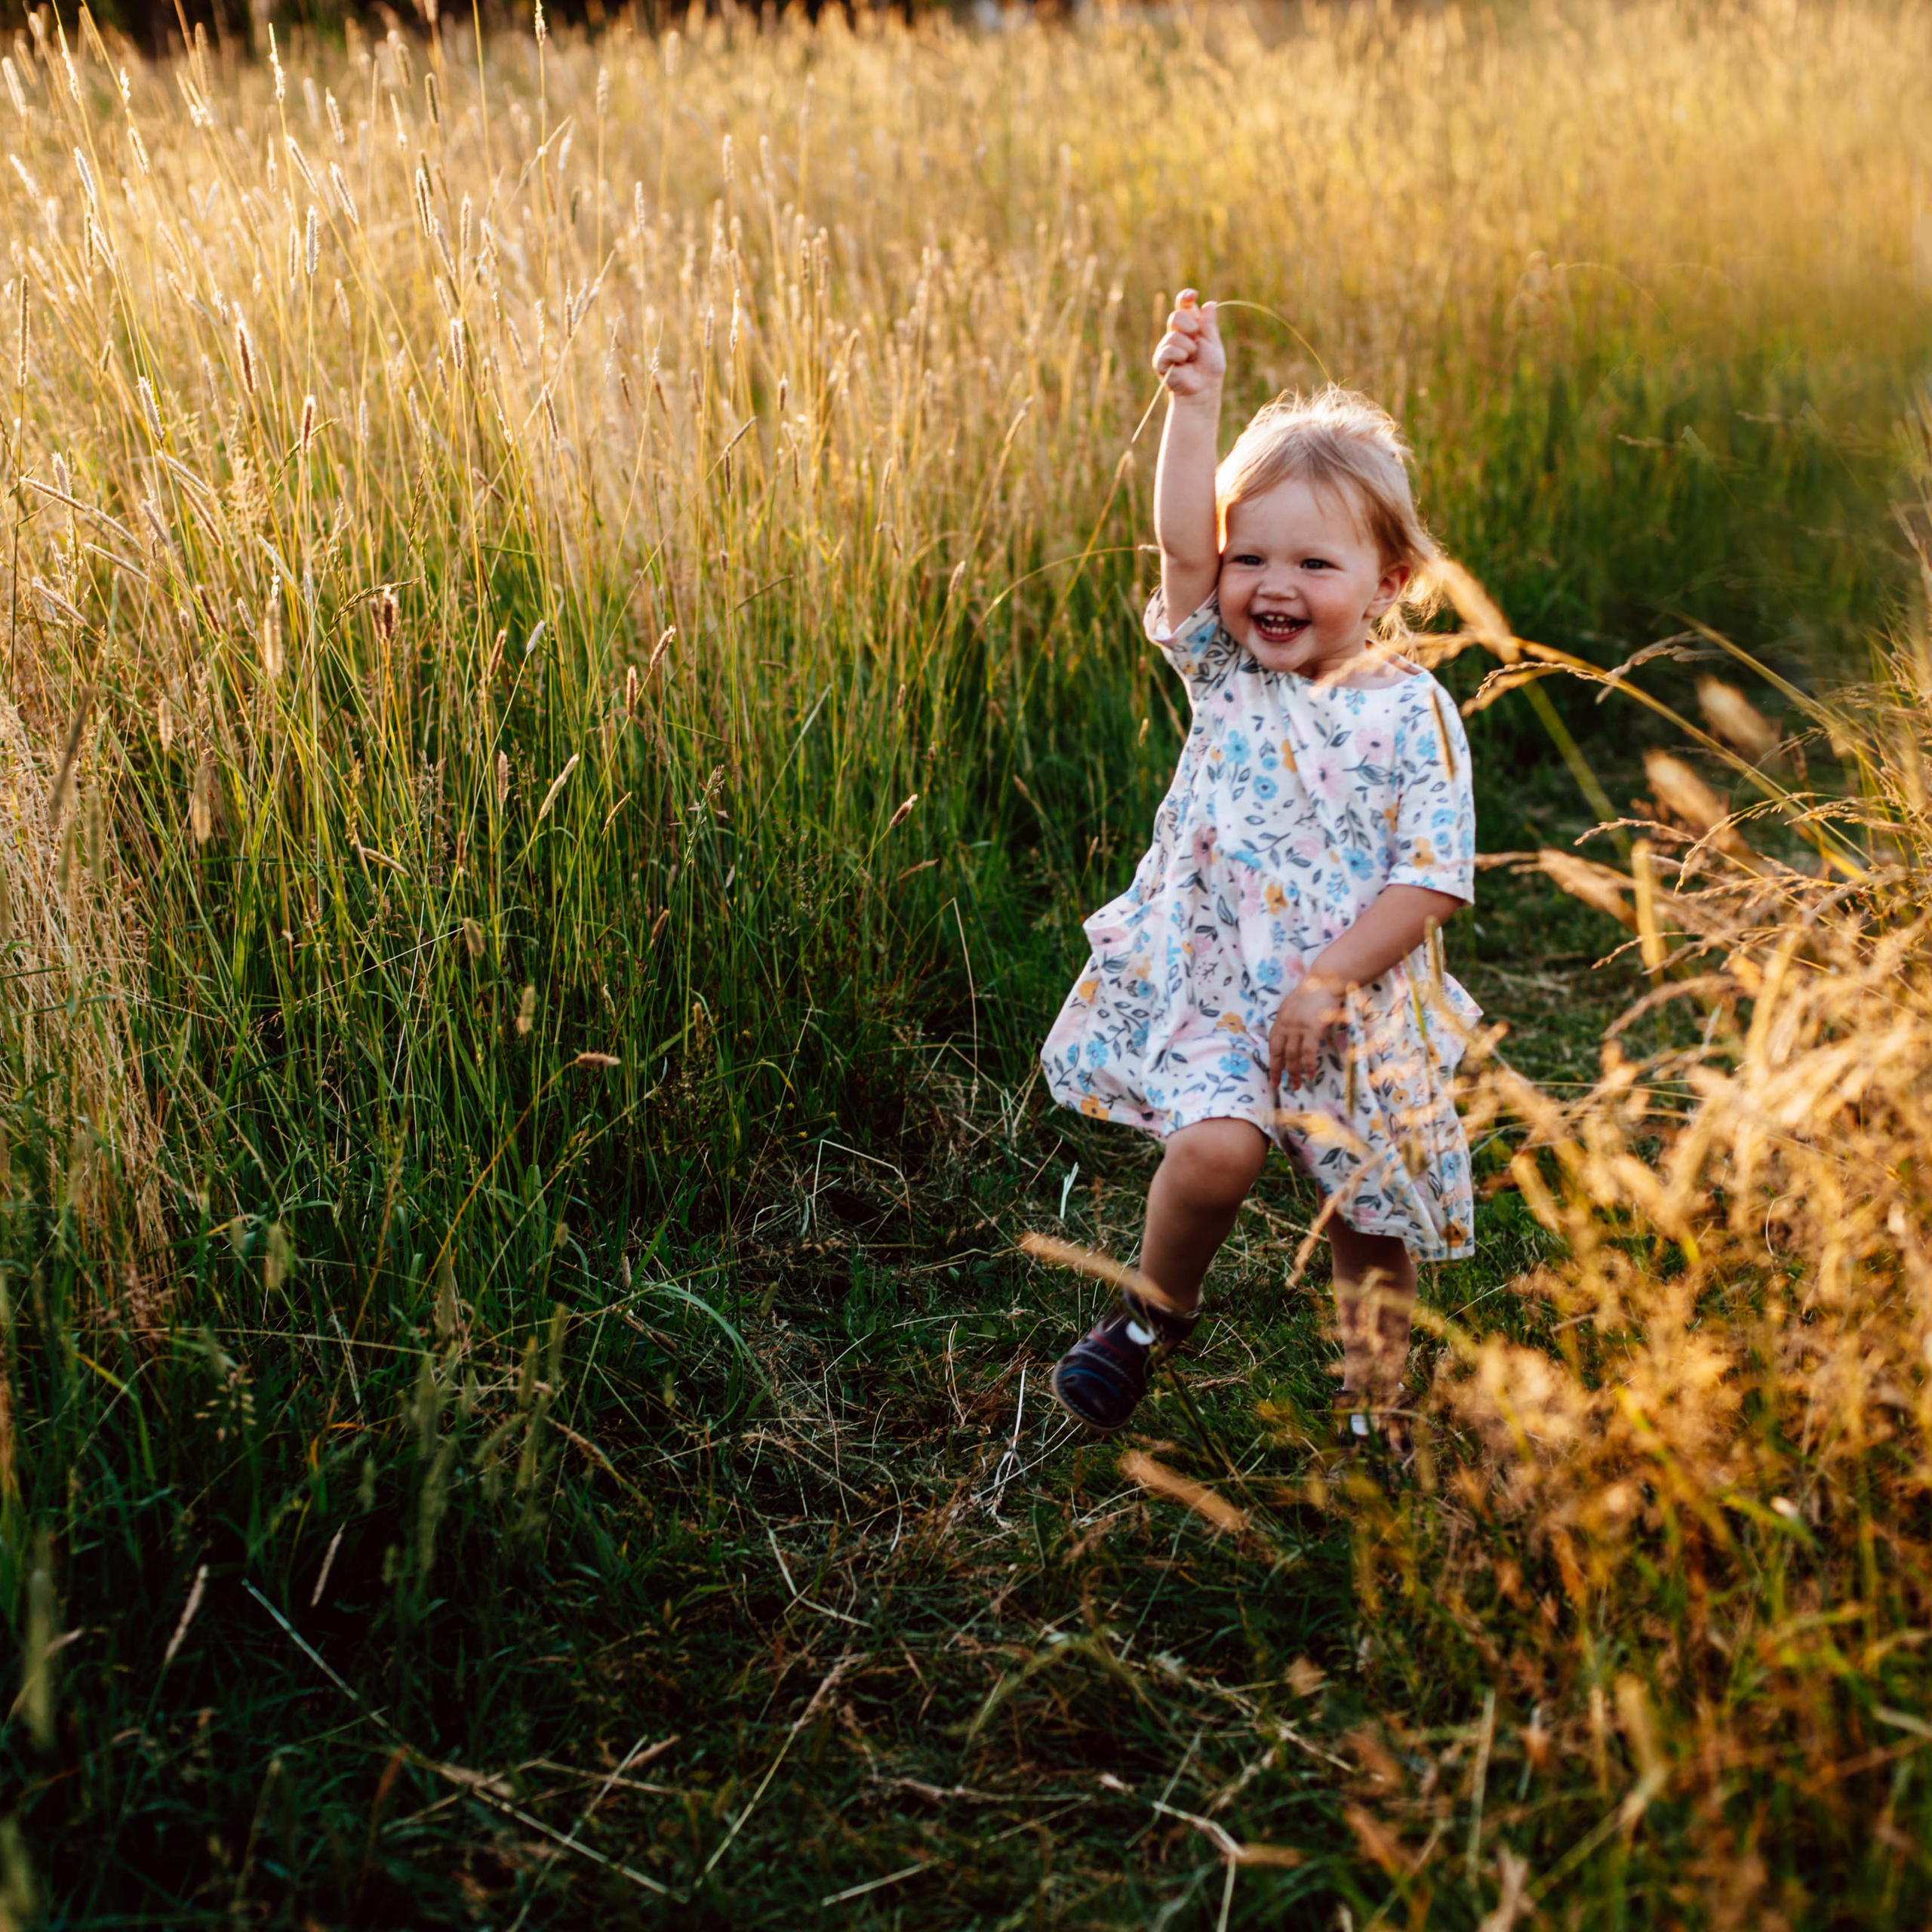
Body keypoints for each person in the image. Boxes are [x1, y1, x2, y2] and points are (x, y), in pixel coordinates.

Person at [1041, 291, 1481, 1452]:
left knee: (1365, 1218)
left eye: (1314, 562)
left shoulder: (1413, 714)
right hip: (1221, 987)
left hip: (1354, 1007)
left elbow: (1431, 878)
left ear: (1388, 582)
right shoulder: (1227, 670)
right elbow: (1185, 542)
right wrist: (1195, 402)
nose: (1270, 584)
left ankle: (1373, 1405)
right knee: (1213, 1152)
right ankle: (1151, 1317)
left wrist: (1330, 981)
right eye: (1254, 558)